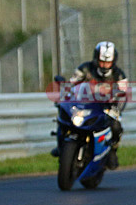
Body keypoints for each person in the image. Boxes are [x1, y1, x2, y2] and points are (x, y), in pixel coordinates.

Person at [51, 41, 127, 169]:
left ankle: (112, 151)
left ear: (113, 61)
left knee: (116, 126)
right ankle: (61, 147)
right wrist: (64, 94)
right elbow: (72, 83)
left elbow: (122, 95)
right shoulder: (85, 68)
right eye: (102, 62)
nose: (104, 65)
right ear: (96, 58)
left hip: (106, 108)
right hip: (85, 105)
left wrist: (115, 109)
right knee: (63, 115)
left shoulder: (119, 75)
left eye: (107, 62)